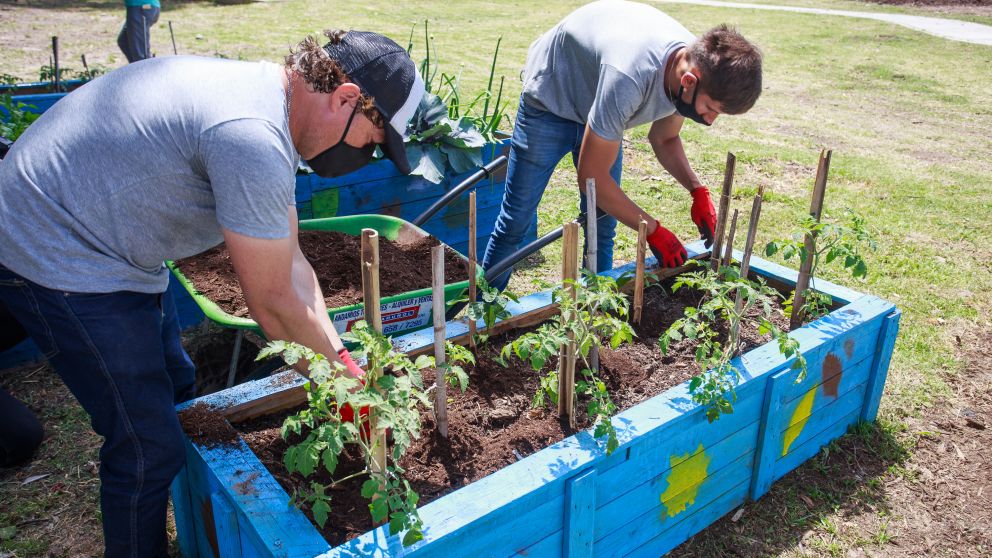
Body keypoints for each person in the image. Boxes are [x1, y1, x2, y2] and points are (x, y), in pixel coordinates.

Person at [0, 29, 424, 557]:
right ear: (345, 98)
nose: (369, 157)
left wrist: (339, 358)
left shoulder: (270, 103)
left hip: (105, 237)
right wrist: (346, 393)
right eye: (374, 143)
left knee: (176, 385)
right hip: (58, 243)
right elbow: (270, 302)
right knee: (145, 444)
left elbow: (291, 259)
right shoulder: (251, 135)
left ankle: (191, 509)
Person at [482, 0, 763, 289]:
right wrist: (653, 231)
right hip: (552, 99)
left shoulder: (693, 69)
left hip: (600, 99)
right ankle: (484, 318)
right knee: (516, 221)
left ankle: (595, 307)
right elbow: (592, 179)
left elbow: (664, 137)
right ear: (689, 80)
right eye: (711, 108)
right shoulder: (631, 74)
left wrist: (697, 190)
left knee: (602, 224)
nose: (710, 120)